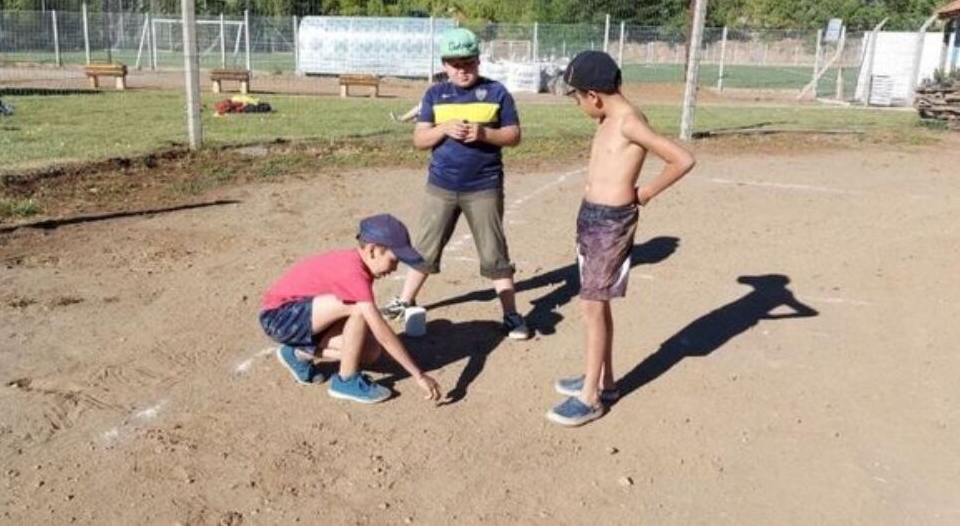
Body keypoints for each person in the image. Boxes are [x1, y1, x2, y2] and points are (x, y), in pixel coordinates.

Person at [546, 50, 697, 427]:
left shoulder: (629, 122)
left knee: (591, 306)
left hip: (610, 222)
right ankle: (603, 379)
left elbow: (681, 158)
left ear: (592, 95)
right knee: (598, 303)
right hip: (594, 219)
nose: (578, 104)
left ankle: (591, 397)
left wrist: (645, 193)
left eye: (576, 97)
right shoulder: (609, 117)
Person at [381, 28, 531, 340]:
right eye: (455, 64)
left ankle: (511, 315)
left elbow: (514, 135)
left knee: (494, 253)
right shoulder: (435, 95)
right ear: (445, 65)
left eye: (468, 63)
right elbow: (419, 139)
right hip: (441, 186)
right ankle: (404, 300)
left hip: (484, 186)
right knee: (425, 247)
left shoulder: (496, 92)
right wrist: (443, 128)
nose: (462, 70)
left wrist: (484, 134)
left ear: (478, 61)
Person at [259, 213, 443, 404]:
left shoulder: (363, 266)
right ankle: (346, 381)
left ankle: (297, 353)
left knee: (370, 352)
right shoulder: (353, 271)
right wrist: (418, 374)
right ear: (373, 250)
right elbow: (381, 330)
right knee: (360, 309)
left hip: (308, 317)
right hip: (279, 317)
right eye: (394, 260)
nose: (395, 267)